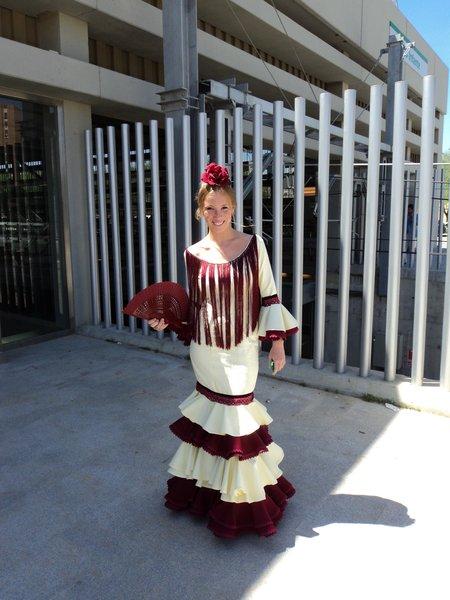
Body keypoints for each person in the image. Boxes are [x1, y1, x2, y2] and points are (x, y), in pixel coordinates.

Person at [148, 162, 299, 538]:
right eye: (210, 208)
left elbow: (269, 293)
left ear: (234, 208)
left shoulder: (253, 245)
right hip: (204, 351)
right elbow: (194, 305)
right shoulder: (193, 252)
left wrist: (276, 343)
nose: (217, 215)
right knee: (213, 422)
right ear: (201, 210)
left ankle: (242, 502)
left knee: (238, 421)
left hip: (242, 350)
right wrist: (167, 320)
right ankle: (210, 494)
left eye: (224, 208)